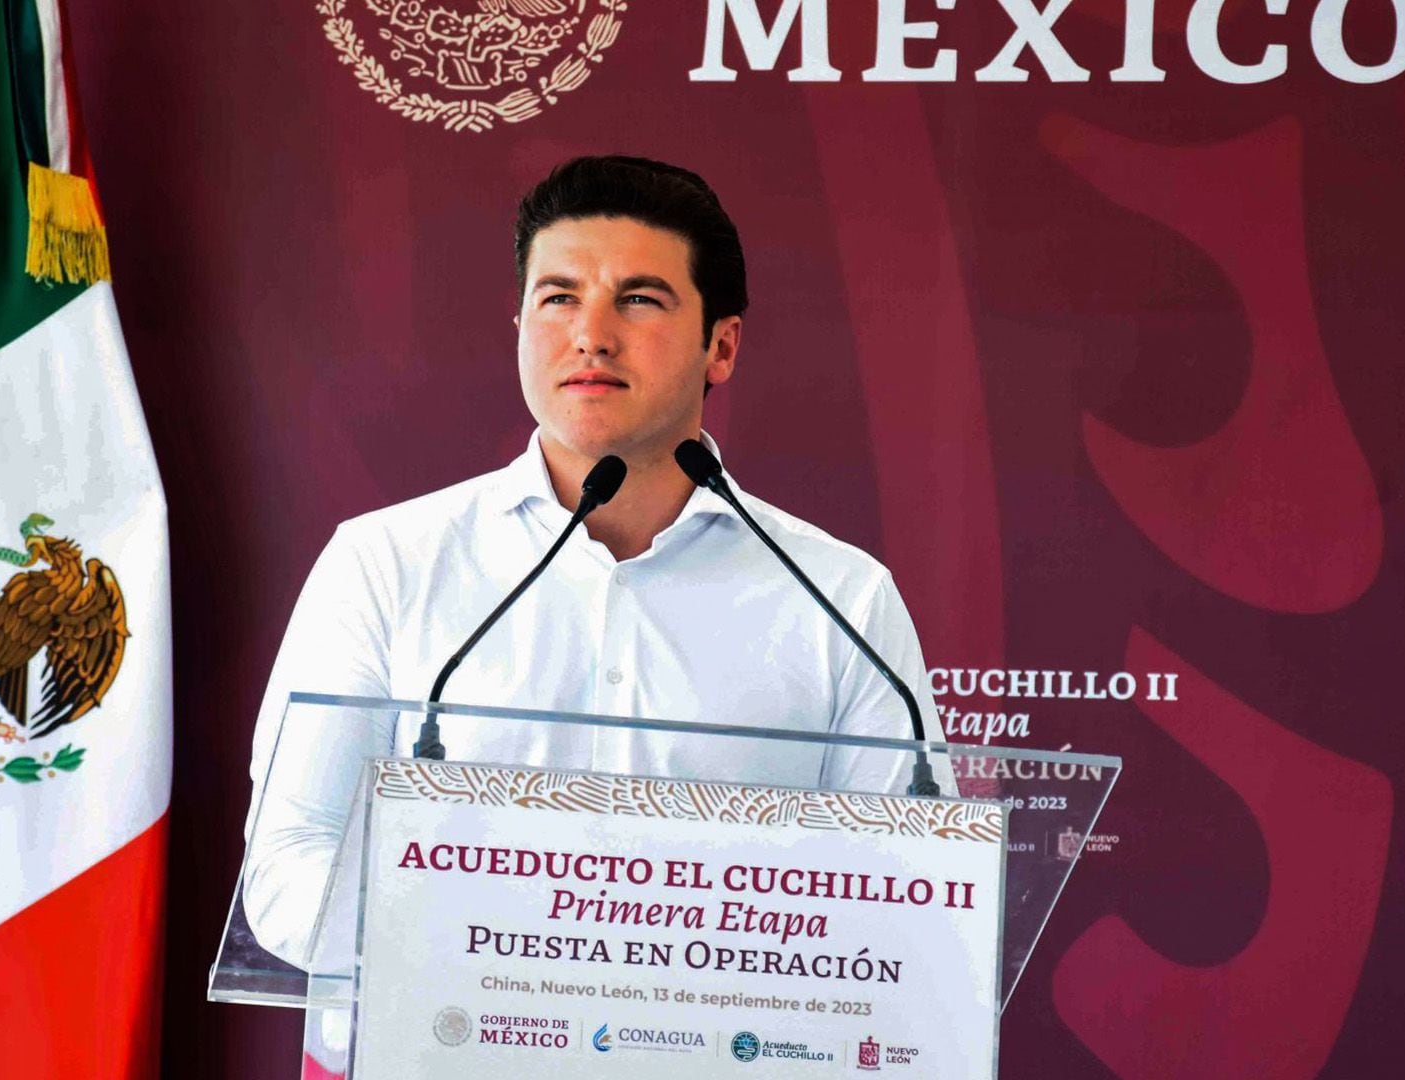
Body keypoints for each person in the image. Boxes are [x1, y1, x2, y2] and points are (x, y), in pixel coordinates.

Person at [239, 156, 953, 975]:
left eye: (639, 299)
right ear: (519, 331)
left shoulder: (840, 598)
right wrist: (514, 950)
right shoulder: (385, 563)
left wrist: (658, 965)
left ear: (720, 347)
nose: (590, 333)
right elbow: (290, 865)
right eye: (558, 298)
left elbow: (908, 896)